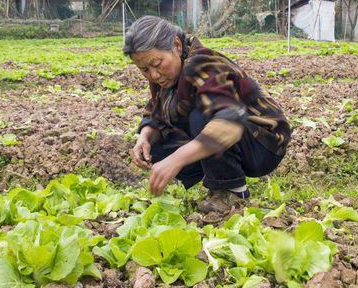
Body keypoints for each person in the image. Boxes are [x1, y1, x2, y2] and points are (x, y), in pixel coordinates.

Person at [123, 16, 290, 208]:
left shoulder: (202, 64)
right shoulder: (167, 76)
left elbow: (228, 124)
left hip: (263, 143)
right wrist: (144, 139)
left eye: (157, 63)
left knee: (201, 115)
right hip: (238, 139)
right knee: (157, 144)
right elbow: (156, 112)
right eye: (144, 69)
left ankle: (231, 191)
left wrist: (176, 160)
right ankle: (216, 176)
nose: (153, 75)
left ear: (176, 45)